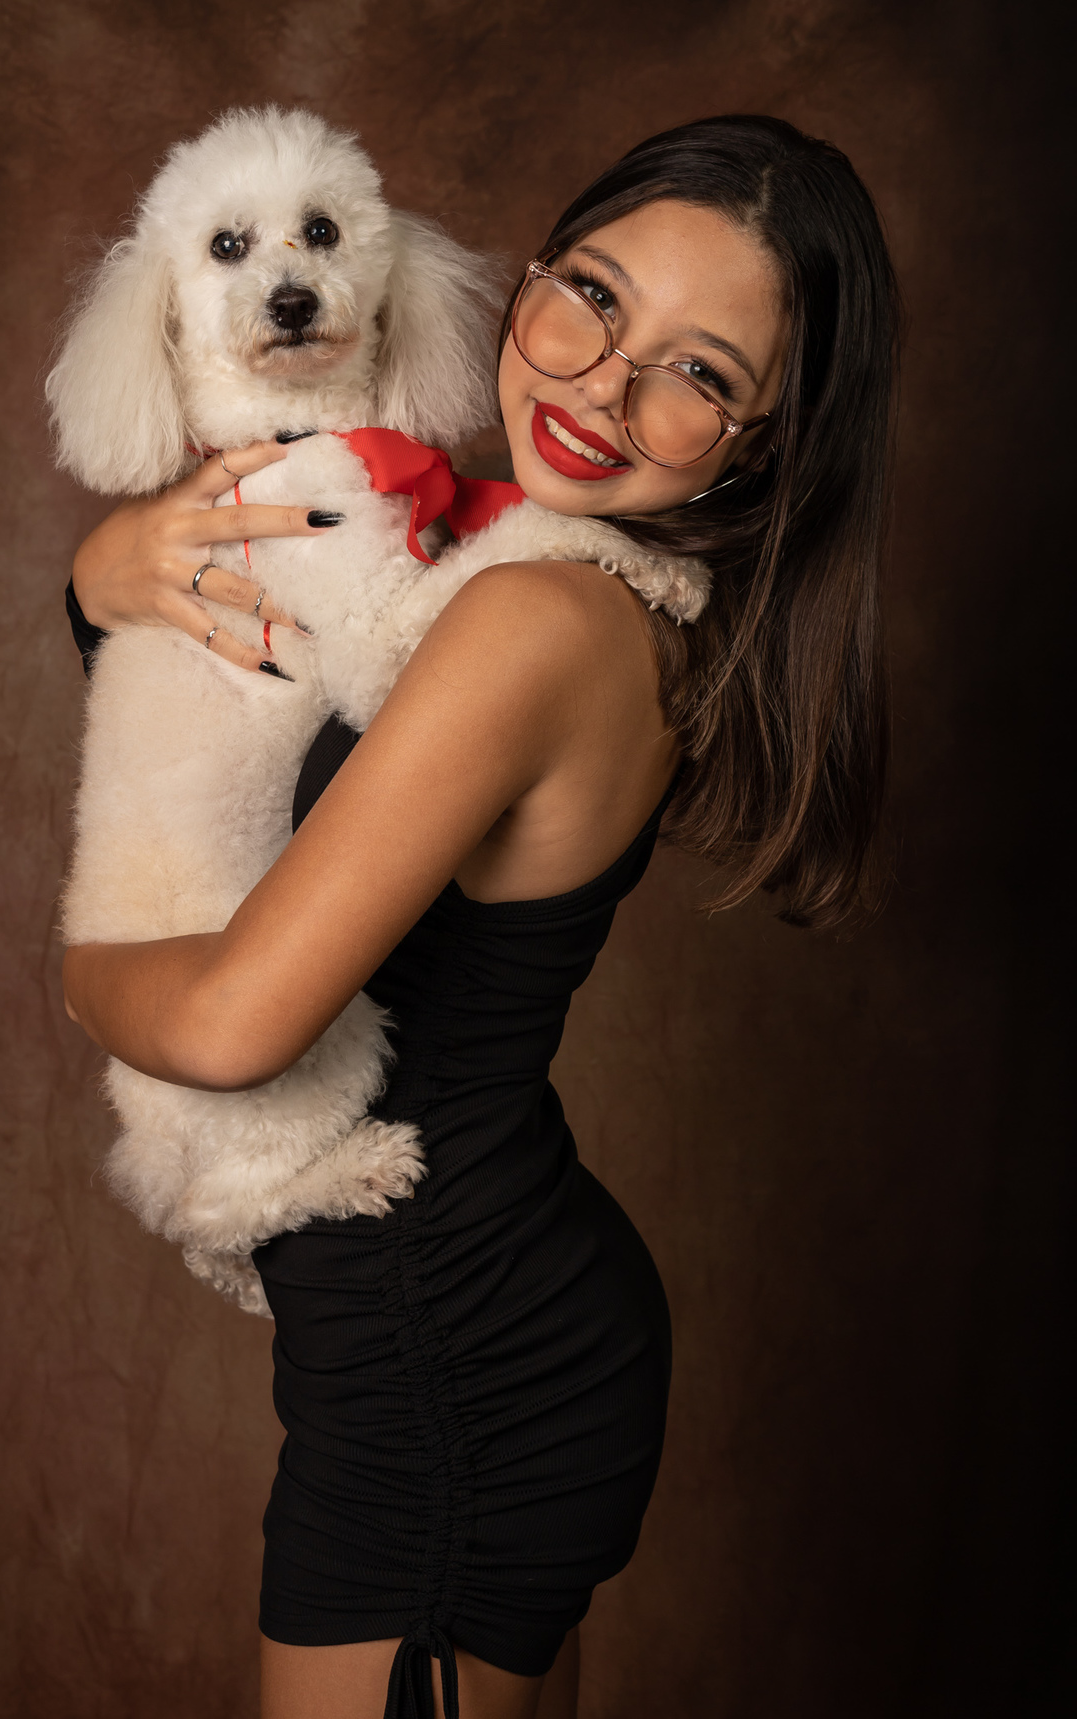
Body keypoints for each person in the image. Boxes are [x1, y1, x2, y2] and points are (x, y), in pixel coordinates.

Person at [61, 115, 898, 1719]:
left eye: (700, 373)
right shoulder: (560, 574)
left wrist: (86, 976)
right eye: (593, 297)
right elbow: (244, 716)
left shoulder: (523, 611)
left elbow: (233, 1026)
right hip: (481, 1327)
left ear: (763, 443)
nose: (603, 386)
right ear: (532, 276)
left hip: (444, 1375)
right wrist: (104, 581)